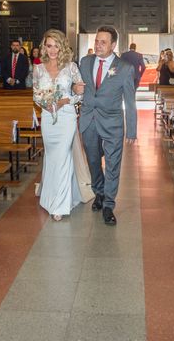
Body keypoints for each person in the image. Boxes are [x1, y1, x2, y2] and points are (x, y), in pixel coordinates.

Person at [76, 26, 137, 226]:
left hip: (113, 123)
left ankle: (109, 205)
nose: (98, 45)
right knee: (93, 161)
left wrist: (132, 129)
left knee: (112, 164)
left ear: (113, 45)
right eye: (96, 41)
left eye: (103, 42)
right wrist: (72, 87)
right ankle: (99, 192)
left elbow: (130, 101)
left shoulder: (125, 68)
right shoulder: (85, 62)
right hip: (89, 121)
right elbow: (75, 85)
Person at [33, 29, 87, 220]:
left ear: (62, 46)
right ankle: (49, 197)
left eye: (56, 45)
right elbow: (36, 95)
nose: (53, 50)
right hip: (48, 118)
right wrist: (44, 103)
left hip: (66, 117)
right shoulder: (38, 69)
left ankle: (60, 205)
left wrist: (65, 101)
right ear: (44, 47)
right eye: (49, 45)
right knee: (52, 156)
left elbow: (80, 94)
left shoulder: (71, 67)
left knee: (63, 156)